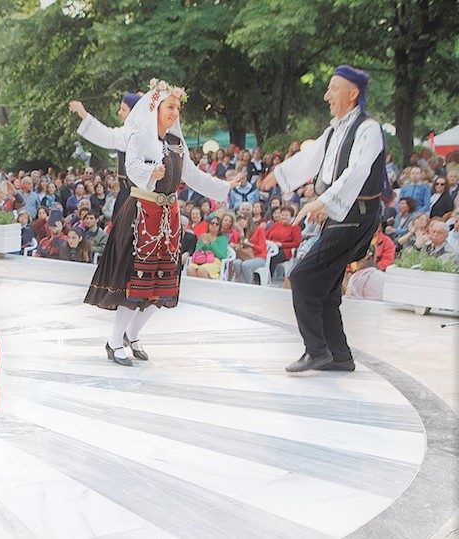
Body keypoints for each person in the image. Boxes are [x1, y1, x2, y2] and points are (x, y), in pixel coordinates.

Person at [84, 79, 233, 366]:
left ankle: (133, 334)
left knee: (164, 284)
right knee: (135, 280)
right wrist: (152, 172)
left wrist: (224, 187)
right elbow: (132, 166)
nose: (175, 112)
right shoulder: (141, 136)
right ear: (156, 108)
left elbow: (193, 175)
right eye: (170, 106)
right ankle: (114, 341)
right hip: (142, 213)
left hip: (169, 217)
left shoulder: (177, 143)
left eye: (178, 107)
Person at [260, 65, 388, 373]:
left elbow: (355, 172)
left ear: (352, 93)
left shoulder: (368, 128)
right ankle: (338, 355)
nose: (327, 95)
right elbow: (311, 157)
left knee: (303, 277)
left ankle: (316, 350)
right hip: (342, 216)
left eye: (333, 88)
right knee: (328, 287)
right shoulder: (335, 129)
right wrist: (277, 175)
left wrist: (321, 201)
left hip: (354, 217)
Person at [69, 92, 142, 217]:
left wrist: (83, 113)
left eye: (123, 109)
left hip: (134, 194)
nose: (119, 113)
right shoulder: (137, 130)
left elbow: (107, 136)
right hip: (130, 193)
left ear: (134, 113)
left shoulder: (134, 133)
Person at [230, 213, 268, 283]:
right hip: (246, 256)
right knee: (236, 263)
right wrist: (241, 233)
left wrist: (251, 245)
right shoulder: (243, 232)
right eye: (238, 221)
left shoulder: (259, 230)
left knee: (246, 265)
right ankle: (240, 281)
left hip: (259, 257)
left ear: (247, 220)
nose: (239, 223)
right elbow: (241, 246)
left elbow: (262, 249)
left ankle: (249, 283)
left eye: (241, 220)